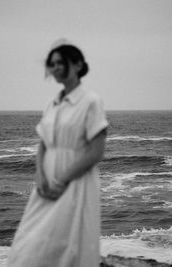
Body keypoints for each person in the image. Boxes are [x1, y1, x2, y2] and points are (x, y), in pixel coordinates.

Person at [9, 43, 108, 267]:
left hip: (76, 180)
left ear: (77, 65)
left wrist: (62, 179)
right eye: (51, 64)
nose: (54, 68)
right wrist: (39, 176)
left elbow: (96, 151)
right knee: (27, 244)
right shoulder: (52, 104)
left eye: (59, 63)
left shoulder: (91, 102)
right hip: (46, 182)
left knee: (69, 243)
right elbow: (43, 143)